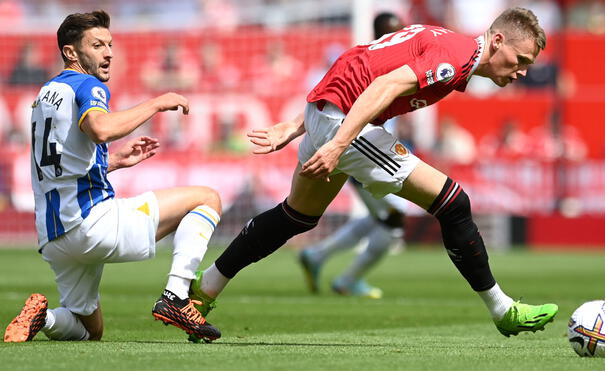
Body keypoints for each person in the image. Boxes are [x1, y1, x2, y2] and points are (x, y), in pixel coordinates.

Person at [193, 7, 559, 338]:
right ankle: (502, 309)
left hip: (329, 113)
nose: (523, 71)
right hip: (345, 125)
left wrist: (296, 125)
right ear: (497, 41)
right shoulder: (455, 57)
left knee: (296, 217)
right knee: (454, 203)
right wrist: (336, 143)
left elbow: (359, 62)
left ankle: (201, 293)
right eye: (520, 59)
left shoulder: (450, 42)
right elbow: (381, 84)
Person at [4, 10, 221, 343]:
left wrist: (115, 162)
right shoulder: (87, 84)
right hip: (91, 223)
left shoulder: (44, 95)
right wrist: (157, 103)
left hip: (54, 237)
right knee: (207, 198)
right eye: (97, 45)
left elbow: (56, 164)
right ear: (70, 52)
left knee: (91, 331)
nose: (108, 53)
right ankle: (176, 296)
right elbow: (101, 129)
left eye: (109, 44)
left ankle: (43, 317)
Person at [298, 12, 407, 299]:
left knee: (379, 217)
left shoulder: (391, 65)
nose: (398, 36)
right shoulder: (369, 66)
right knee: (393, 219)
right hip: (360, 151)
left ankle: (317, 255)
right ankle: (348, 278)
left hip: (372, 150)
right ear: (382, 33)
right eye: (394, 31)